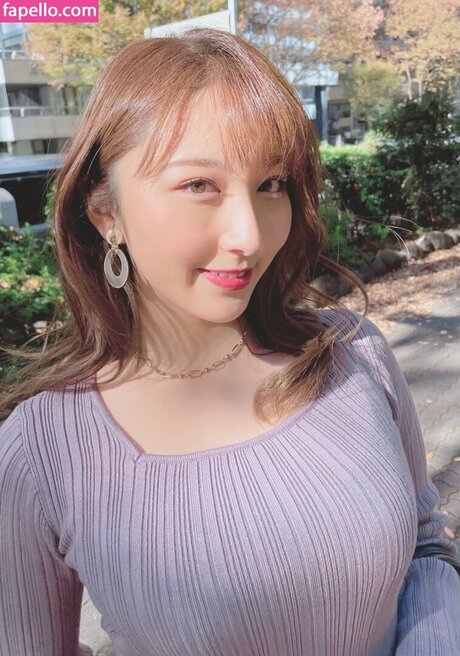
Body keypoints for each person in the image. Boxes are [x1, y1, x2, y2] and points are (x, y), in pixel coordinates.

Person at [0, 27, 459, 656]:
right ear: (107, 213)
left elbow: (426, 544)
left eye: (272, 184)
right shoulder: (41, 453)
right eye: (199, 185)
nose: (250, 234)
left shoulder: (355, 354)